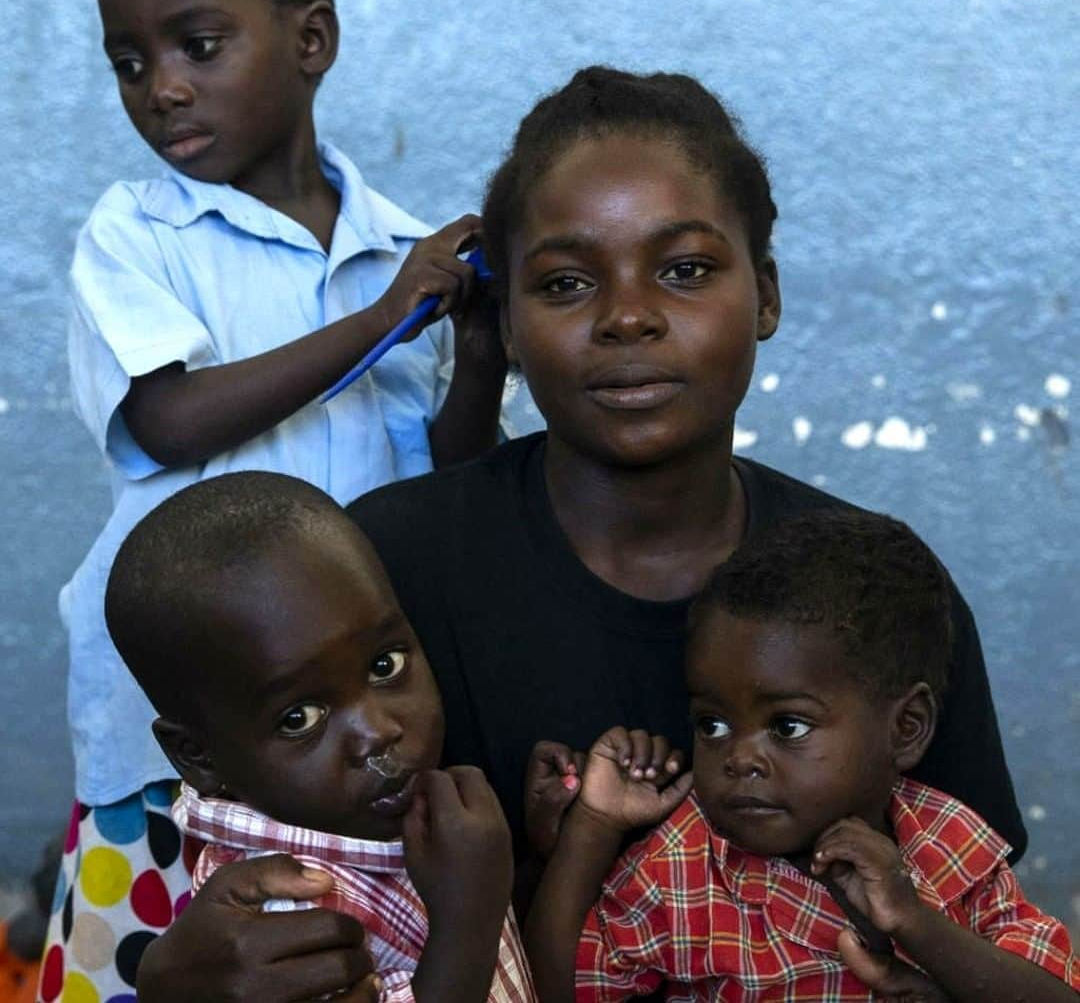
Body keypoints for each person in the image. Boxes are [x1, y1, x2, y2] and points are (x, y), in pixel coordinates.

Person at [134, 67, 1029, 999]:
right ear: (510, 325)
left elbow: (985, 915)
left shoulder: (870, 589)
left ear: (764, 294)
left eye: (684, 270)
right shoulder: (383, 576)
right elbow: (250, 878)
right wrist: (180, 975)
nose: (629, 316)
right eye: (565, 283)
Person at [47, 0, 508, 997]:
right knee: (145, 972)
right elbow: (168, 418)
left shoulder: (400, 248)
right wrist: (389, 317)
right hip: (175, 745)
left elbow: (440, 479)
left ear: (312, 40)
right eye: (130, 61)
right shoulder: (138, 236)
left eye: (197, 46)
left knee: (360, 969)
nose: (161, 88)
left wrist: (475, 357)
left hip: (344, 738)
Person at [524, 509, 1078, 1000]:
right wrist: (592, 825)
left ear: (907, 729)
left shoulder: (947, 842)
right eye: (711, 724)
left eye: (787, 726)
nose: (740, 758)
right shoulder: (687, 865)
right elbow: (562, 988)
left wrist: (914, 922)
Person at [104, 470, 534, 1002]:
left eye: (386, 664)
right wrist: (469, 919)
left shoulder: (388, 824)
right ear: (198, 756)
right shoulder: (285, 919)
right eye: (299, 719)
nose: (378, 731)